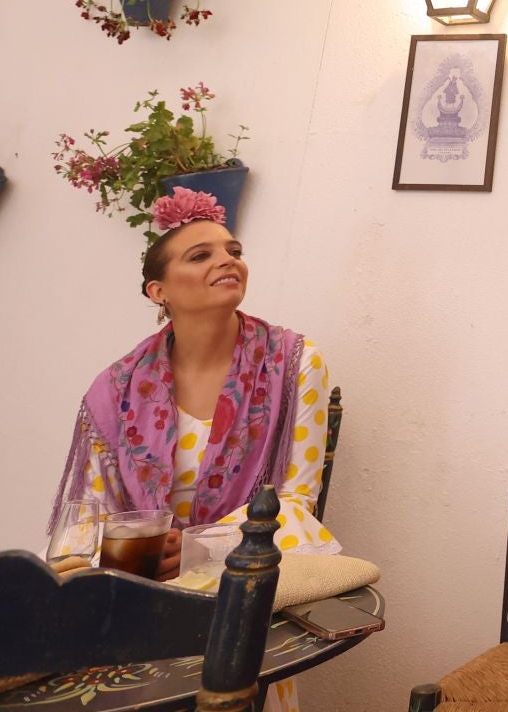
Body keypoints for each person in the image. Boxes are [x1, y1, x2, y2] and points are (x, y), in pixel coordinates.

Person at [49, 187, 339, 712]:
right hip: (139, 600)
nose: (227, 260)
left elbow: (296, 502)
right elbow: (87, 519)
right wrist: (121, 552)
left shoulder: (293, 362)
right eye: (201, 255)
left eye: (234, 251)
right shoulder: (116, 388)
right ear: (158, 291)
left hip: (243, 593)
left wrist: (199, 548)